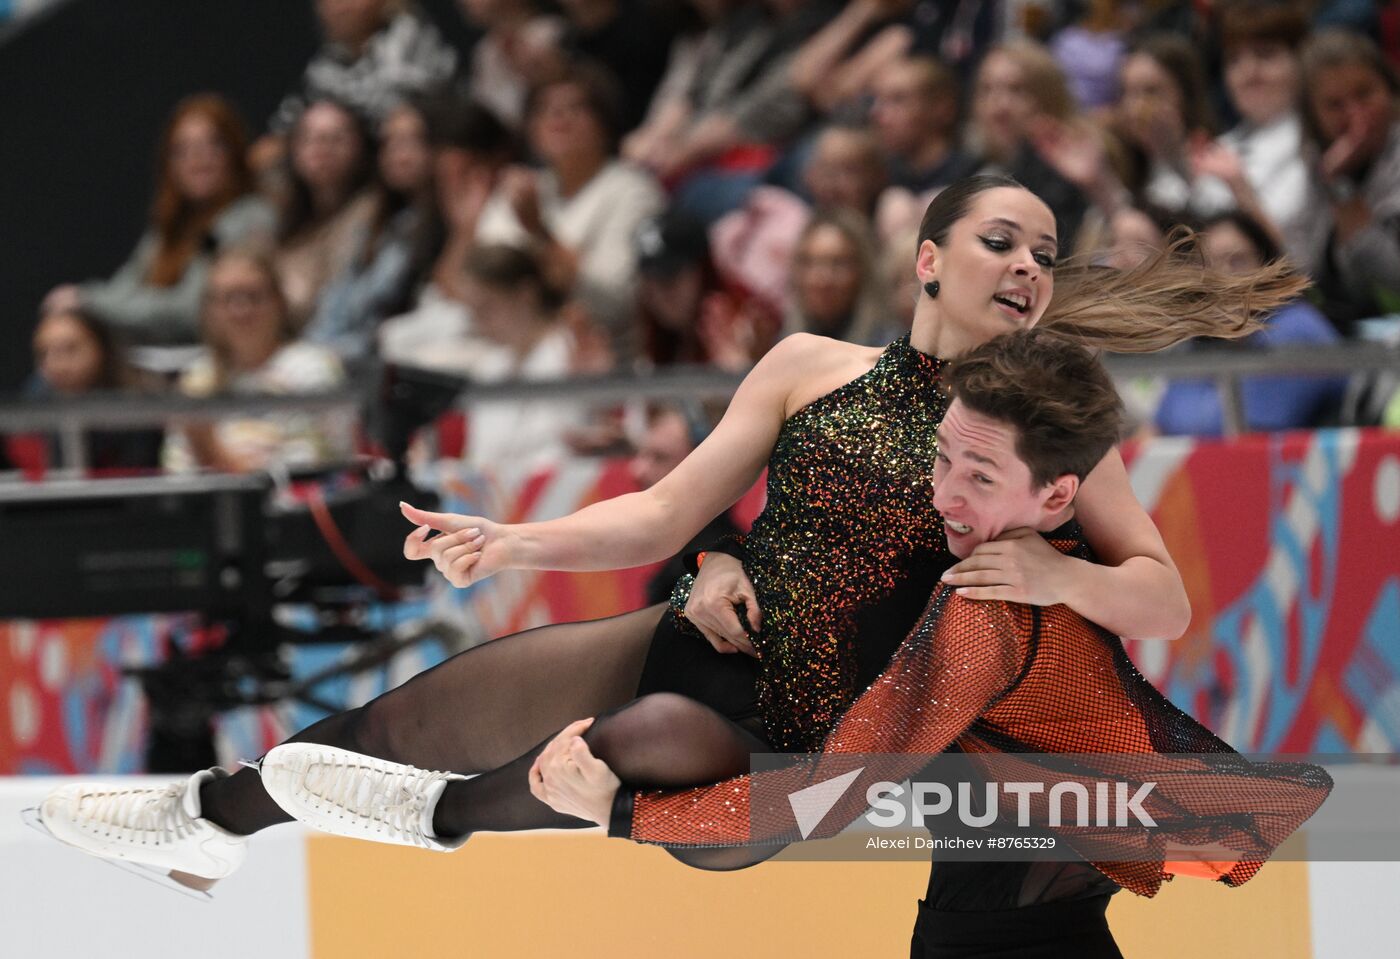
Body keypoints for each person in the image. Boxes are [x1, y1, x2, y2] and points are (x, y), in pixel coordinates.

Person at [35, 176, 1304, 891]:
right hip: (706, 635)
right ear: (925, 257)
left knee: (634, 742)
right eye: (999, 239)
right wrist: (516, 541)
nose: (1028, 263)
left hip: (812, 719)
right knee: (410, 713)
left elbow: (1161, 600)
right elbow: (663, 510)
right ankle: (206, 823)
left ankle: (427, 818)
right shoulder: (811, 363)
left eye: (1042, 250)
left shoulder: (1037, 429)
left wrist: (1045, 571)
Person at [516, 329, 1330, 958]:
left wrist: (622, 812)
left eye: (978, 476)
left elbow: (823, 798)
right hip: (1017, 915)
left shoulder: (987, 613)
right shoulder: (1052, 562)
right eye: (938, 458)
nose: (942, 493)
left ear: (1056, 498)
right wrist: (721, 557)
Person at [42, 95, 273, 346]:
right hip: (150, 360)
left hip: (210, 364)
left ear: (235, 152)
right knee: (64, 330)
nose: (198, 159)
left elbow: (191, 311)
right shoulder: (171, 226)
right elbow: (124, 288)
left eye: (213, 144)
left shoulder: (249, 218)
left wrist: (91, 302)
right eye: (182, 150)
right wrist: (82, 302)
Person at [1153, 212, 1349, 437]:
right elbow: (1156, 430)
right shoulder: (1198, 341)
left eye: (1237, 261)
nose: (1223, 277)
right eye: (1208, 266)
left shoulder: (1296, 330)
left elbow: (1248, 445)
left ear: (1268, 266)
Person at [161, 251, 351, 475]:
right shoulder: (197, 376)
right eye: (227, 298)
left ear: (279, 301)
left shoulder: (312, 369)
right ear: (209, 310)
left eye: (253, 296)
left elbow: (308, 476)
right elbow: (177, 475)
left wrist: (211, 450)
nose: (241, 310)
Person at [1297, 28, 1400, 332]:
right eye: (1335, 105)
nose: (1355, 114)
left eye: (1364, 94)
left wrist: (1341, 189)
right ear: (1313, 115)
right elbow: (1304, 273)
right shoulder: (1316, 162)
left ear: (1390, 90)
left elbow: (1392, 278)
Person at [26, 308, 163, 473]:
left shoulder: (138, 410)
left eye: (70, 349)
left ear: (101, 348)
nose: (56, 364)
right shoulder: (32, 413)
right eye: (44, 353)